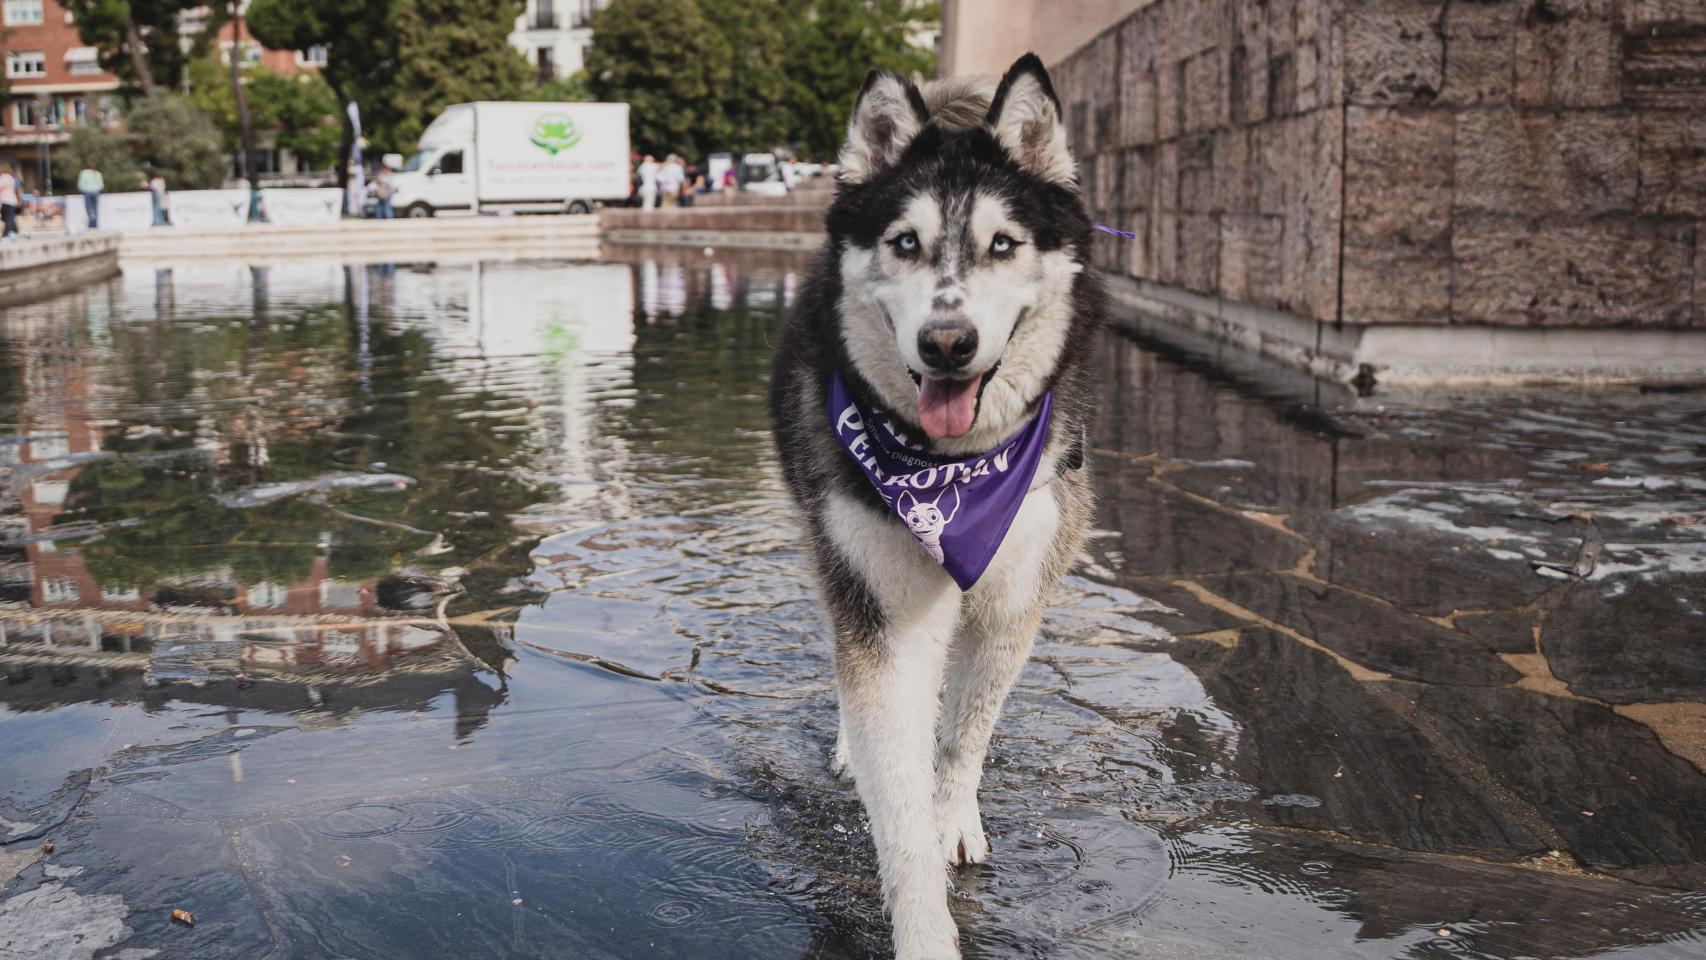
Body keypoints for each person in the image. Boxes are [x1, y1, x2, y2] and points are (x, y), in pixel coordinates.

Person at [76, 161, 103, 230]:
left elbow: (80, 184)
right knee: (95, 208)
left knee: (89, 208)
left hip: (88, 192)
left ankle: (91, 224)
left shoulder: (84, 173)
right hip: (96, 192)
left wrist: (85, 190)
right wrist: (96, 189)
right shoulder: (97, 173)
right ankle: (95, 224)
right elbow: (101, 185)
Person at [0, 166, 18, 239]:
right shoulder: (11, 178)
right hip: (12, 200)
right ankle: (14, 231)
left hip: (6, 200)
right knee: (10, 217)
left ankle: (7, 234)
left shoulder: (4, 177)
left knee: (7, 218)